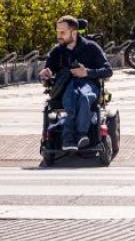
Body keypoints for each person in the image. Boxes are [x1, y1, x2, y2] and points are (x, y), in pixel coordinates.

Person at [39, 15, 112, 151]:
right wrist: (45, 73)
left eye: (63, 32)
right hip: (66, 86)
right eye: (57, 32)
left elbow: (108, 71)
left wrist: (87, 73)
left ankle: (78, 135)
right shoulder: (57, 51)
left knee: (83, 97)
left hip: (88, 85)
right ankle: (71, 138)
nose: (59, 36)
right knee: (72, 95)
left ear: (74, 32)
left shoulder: (91, 47)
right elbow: (47, 70)